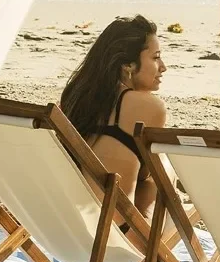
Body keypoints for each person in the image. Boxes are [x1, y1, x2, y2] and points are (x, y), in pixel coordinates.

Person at [60, 14, 167, 215]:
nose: (163, 67)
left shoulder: (75, 97)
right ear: (127, 65)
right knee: (163, 172)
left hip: (69, 222)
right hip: (115, 232)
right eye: (155, 57)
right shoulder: (149, 107)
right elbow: (147, 175)